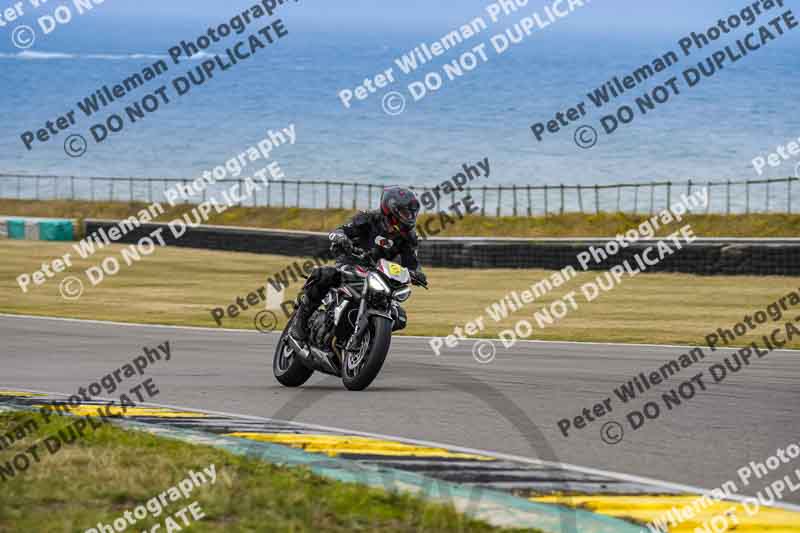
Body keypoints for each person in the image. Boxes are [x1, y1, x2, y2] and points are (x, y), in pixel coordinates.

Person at [290, 186, 427, 341]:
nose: (410, 216)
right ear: (391, 209)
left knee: (399, 316)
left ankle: (367, 339)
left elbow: (412, 263)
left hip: (380, 275)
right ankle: (300, 320)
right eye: (405, 212)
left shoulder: (409, 237)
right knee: (325, 275)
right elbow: (341, 230)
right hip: (351, 264)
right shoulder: (368, 218)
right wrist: (341, 238)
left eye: (412, 212)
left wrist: (418, 274)